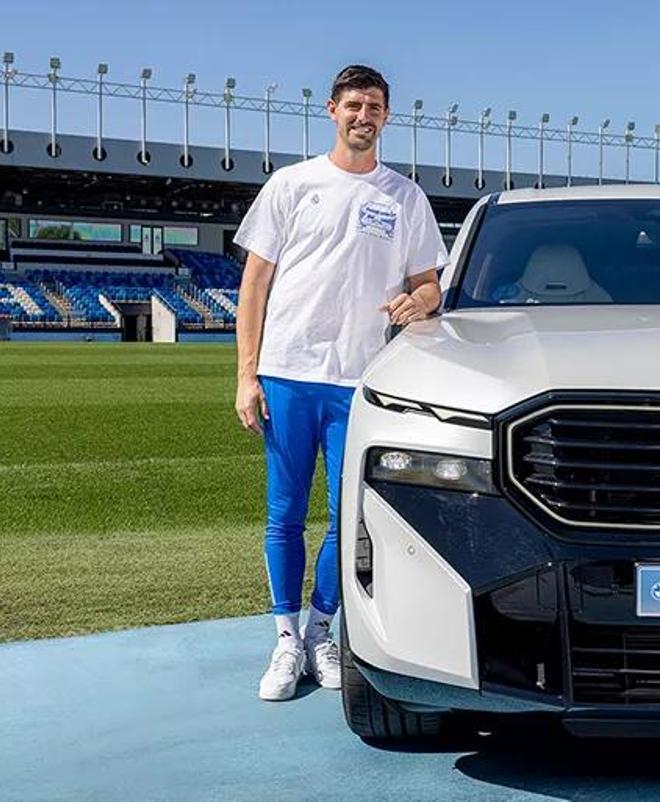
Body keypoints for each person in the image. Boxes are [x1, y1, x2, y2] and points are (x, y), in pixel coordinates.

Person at [233, 64, 448, 701]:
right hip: (288, 372)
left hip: (361, 379)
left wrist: (422, 302)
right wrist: (246, 375)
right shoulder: (292, 184)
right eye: (354, 105)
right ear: (332, 110)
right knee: (284, 513)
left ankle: (321, 631)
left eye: (374, 107)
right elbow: (254, 285)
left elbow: (428, 284)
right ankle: (284, 639)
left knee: (346, 516)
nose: (364, 116)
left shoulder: (405, 197)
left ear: (387, 117)